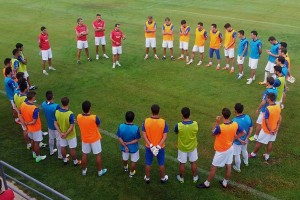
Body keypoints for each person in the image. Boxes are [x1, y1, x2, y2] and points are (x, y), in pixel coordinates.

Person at [197, 108, 245, 189]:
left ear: (222, 115)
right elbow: (243, 132)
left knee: (213, 167)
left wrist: (216, 122)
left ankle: (206, 183)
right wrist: (236, 137)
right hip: (230, 147)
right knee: (228, 165)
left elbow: (213, 133)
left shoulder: (220, 127)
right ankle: (225, 183)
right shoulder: (235, 124)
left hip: (221, 150)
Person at [77, 100, 107, 176]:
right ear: (90, 108)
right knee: (98, 155)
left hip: (85, 139)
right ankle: (100, 172)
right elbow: (98, 125)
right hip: (95, 139)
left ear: (82, 108)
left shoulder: (78, 116)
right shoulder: (94, 117)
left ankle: (84, 171)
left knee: (84, 154)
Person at [249, 93, 281, 161]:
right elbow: (279, 118)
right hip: (274, 129)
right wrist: (277, 128)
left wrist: (270, 130)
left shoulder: (268, 109)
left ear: (269, 99)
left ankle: (253, 154)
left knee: (259, 142)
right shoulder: (278, 107)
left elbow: (266, 121)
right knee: (270, 142)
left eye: (267, 98)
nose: (266, 99)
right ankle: (267, 156)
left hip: (266, 130)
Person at [142, 104, 169, 184]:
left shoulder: (146, 121)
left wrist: (150, 145)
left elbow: (144, 134)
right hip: (160, 147)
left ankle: (147, 178)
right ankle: (163, 178)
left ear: (151, 111)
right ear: (158, 111)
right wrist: (158, 146)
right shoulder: (163, 122)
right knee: (161, 163)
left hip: (149, 147)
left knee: (148, 163)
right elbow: (165, 136)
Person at [19, 91, 47, 163]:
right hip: (35, 128)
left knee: (32, 140)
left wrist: (25, 124)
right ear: (33, 97)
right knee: (37, 143)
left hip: (29, 128)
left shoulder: (23, 104)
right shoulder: (35, 109)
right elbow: (34, 121)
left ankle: (34, 153)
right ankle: (38, 157)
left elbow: (20, 114)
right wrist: (28, 123)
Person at [174, 107, 199, 183]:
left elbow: (176, 132)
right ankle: (195, 177)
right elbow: (195, 132)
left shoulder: (178, 125)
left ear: (182, 115)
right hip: (192, 147)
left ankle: (181, 178)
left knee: (182, 163)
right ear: (190, 114)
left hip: (182, 147)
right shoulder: (195, 124)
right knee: (193, 162)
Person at [54, 97, 81, 166]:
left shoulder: (57, 112)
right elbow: (71, 126)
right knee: (72, 148)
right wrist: (66, 134)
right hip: (70, 135)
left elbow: (55, 123)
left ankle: (65, 160)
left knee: (63, 147)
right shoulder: (70, 114)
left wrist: (61, 133)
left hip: (62, 134)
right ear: (68, 103)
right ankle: (75, 162)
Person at [250, 77, 277, 141]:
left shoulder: (267, 91)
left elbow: (263, 102)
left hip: (265, 109)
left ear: (268, 82)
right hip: (272, 108)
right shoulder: (275, 89)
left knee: (259, 124)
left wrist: (258, 109)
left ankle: (256, 137)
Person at [117, 111, 141, 178]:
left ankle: (125, 168)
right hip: (134, 148)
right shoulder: (136, 128)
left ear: (125, 118)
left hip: (124, 148)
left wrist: (125, 145)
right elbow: (137, 139)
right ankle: (131, 173)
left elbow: (119, 137)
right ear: (133, 118)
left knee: (125, 158)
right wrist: (129, 143)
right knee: (133, 161)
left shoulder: (121, 126)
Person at [41, 91, 63, 159]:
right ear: (53, 97)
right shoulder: (56, 106)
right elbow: (60, 115)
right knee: (58, 140)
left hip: (49, 124)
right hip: (56, 126)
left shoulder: (43, 104)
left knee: (51, 138)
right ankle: (60, 155)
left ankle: (51, 151)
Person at [232, 103, 253, 172]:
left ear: (235, 110)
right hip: (245, 140)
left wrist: (240, 140)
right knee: (244, 150)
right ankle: (246, 162)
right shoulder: (248, 117)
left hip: (237, 142)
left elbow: (234, 134)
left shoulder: (234, 121)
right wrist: (247, 138)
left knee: (237, 154)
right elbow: (251, 128)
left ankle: (238, 168)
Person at [14, 80, 31, 149]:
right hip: (25, 116)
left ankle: (28, 143)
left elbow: (14, 106)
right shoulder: (25, 98)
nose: (28, 87)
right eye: (27, 86)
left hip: (20, 115)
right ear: (25, 88)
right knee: (27, 130)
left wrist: (18, 112)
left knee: (25, 129)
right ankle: (31, 143)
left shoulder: (16, 95)